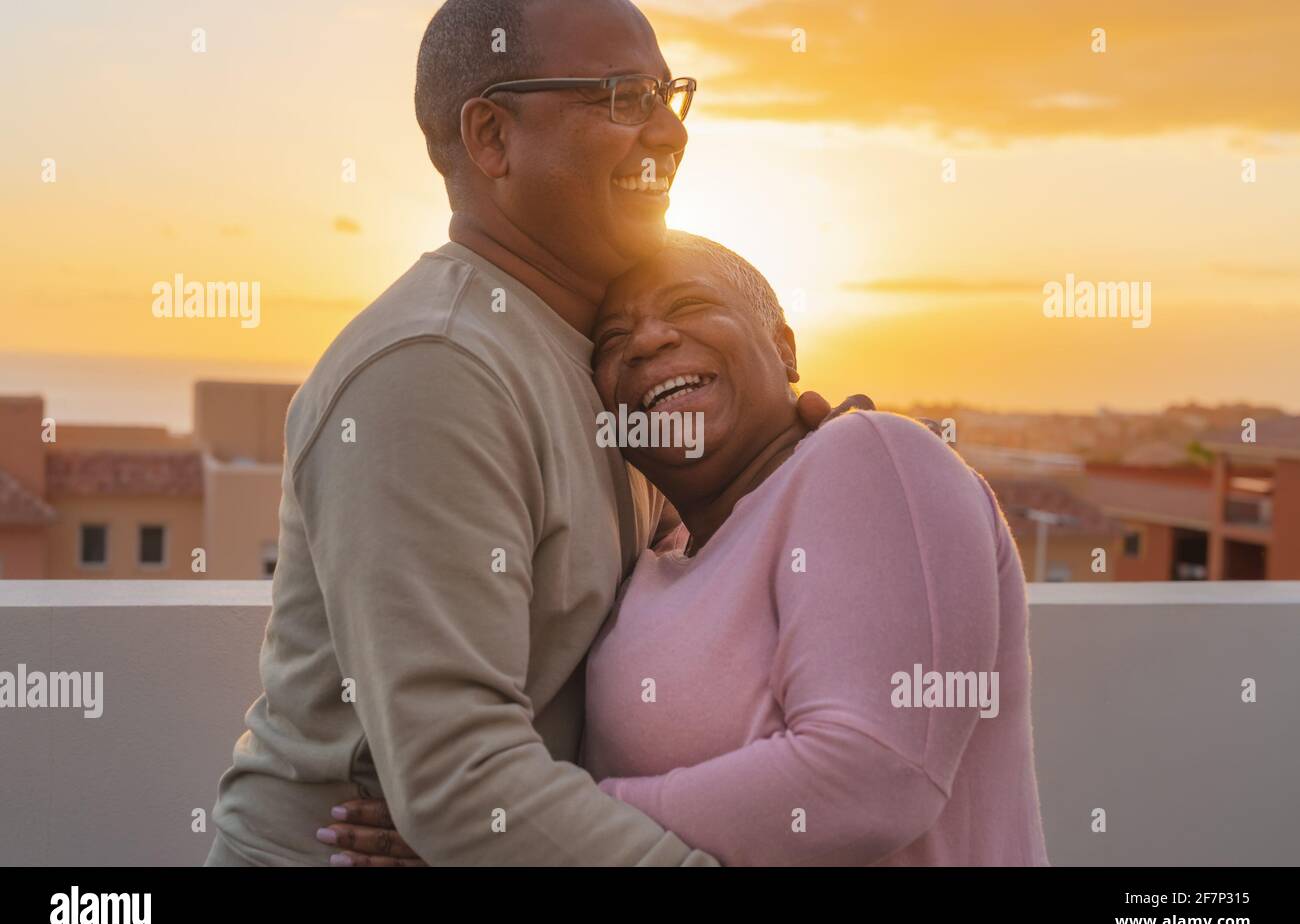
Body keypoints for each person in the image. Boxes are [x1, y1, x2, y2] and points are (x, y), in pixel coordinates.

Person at [205, 0, 859, 866]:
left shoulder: (607, 358)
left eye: (667, 93)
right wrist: (477, 814)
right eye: (621, 96)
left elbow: (691, 594)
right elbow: (460, 779)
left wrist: (809, 473)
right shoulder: (433, 370)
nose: (669, 130)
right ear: (491, 138)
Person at [324, 233, 1050, 866]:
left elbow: (872, 778)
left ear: (785, 348)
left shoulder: (869, 455)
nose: (645, 342)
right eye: (612, 342)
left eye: (689, 308)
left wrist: (513, 839)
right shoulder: (652, 562)